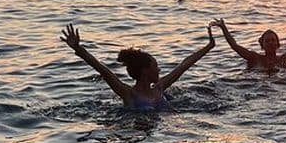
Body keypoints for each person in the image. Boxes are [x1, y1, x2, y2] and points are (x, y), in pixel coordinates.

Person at [60, 23, 215, 110]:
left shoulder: (159, 88)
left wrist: (209, 46)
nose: (159, 70)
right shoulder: (128, 94)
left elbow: (184, 65)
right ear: (145, 71)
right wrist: (78, 49)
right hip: (137, 132)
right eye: (156, 66)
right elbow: (102, 69)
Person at [210, 14, 286, 70]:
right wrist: (223, 28)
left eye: (273, 40)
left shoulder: (285, 59)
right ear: (262, 45)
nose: (271, 43)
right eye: (267, 41)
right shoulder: (254, 58)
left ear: (278, 44)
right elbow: (234, 46)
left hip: (282, 84)